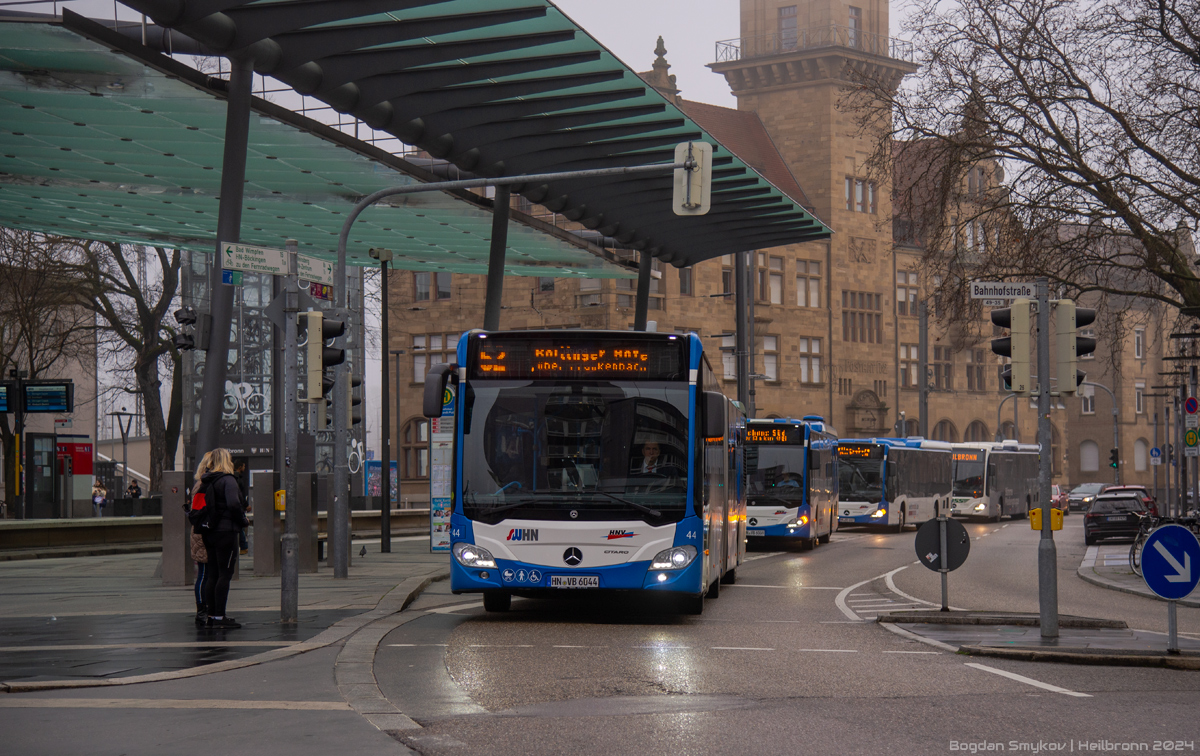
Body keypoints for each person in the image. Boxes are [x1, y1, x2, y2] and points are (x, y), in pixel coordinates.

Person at [198, 448, 249, 630]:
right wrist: (243, 520)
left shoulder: (207, 480)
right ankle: (220, 616)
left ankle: (211, 615)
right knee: (225, 573)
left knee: (212, 573)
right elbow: (234, 504)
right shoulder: (228, 480)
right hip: (226, 531)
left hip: (209, 531)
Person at [187, 452, 213, 626]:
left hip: (200, 532)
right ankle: (202, 609)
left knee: (205, 573)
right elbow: (198, 511)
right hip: (202, 533)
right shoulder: (203, 486)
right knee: (203, 573)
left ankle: (204, 608)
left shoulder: (201, 484)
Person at [233, 460, 250, 555]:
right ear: (239, 467)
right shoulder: (237, 479)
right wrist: (245, 504)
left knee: (241, 527)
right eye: (243, 466)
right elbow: (240, 494)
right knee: (241, 526)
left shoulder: (235, 478)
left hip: (239, 505)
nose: (244, 468)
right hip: (239, 506)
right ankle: (243, 546)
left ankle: (243, 546)